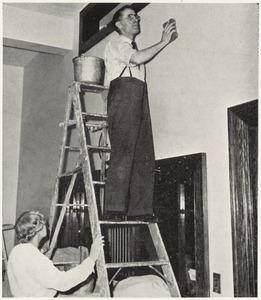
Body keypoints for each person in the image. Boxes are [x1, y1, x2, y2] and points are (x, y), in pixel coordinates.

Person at [104, 5, 178, 222]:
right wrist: (164, 41)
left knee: (144, 154)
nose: (136, 19)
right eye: (130, 17)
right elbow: (136, 59)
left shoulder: (131, 45)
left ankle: (141, 210)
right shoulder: (116, 42)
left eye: (136, 16)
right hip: (123, 95)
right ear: (119, 24)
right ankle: (114, 208)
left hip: (138, 95)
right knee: (124, 151)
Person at [7, 211, 104, 297]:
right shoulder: (35, 257)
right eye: (44, 224)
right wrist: (91, 258)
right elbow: (63, 283)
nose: (47, 226)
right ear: (38, 229)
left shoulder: (15, 251)